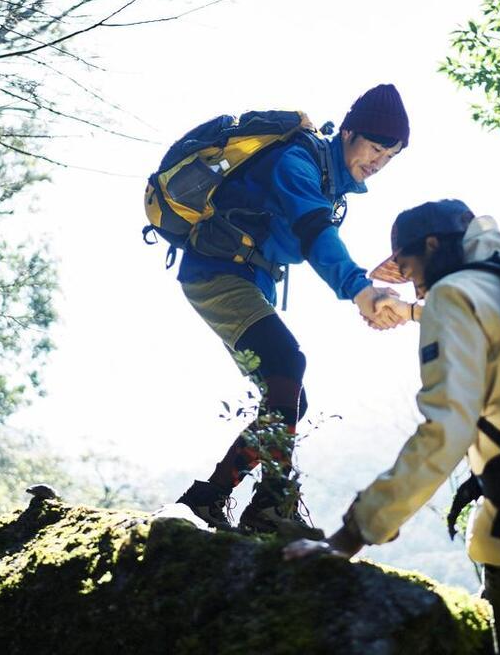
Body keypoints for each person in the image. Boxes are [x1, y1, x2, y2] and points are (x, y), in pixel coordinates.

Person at [285, 199, 500, 655]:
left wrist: (354, 533)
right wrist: (412, 311)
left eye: (409, 268)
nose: (414, 283)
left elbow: (446, 431)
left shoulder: (453, 295)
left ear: (432, 245)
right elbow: (492, 324)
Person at [174, 84, 411, 537]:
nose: (379, 162)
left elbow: (309, 235)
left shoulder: (327, 177)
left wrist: (370, 277)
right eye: (375, 148)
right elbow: (313, 231)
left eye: (390, 156)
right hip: (218, 273)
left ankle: (209, 499)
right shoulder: (298, 161)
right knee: (287, 365)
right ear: (349, 133)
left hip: (243, 277)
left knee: (287, 394)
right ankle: (271, 507)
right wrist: (359, 288)